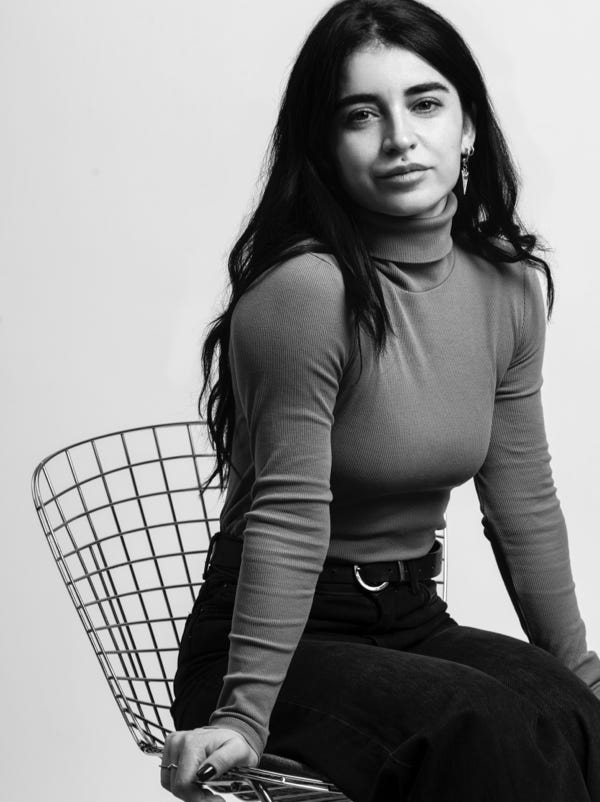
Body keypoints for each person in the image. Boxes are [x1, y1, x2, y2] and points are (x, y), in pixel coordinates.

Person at [161, 1, 600, 799]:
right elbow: (289, 514)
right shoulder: (306, 292)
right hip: (276, 643)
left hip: (409, 617)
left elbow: (524, 505)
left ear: (468, 126)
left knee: (575, 720)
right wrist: (244, 715)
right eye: (361, 115)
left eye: (425, 103)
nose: (400, 137)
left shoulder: (506, 287)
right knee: (483, 731)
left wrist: (582, 678)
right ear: (325, 146)